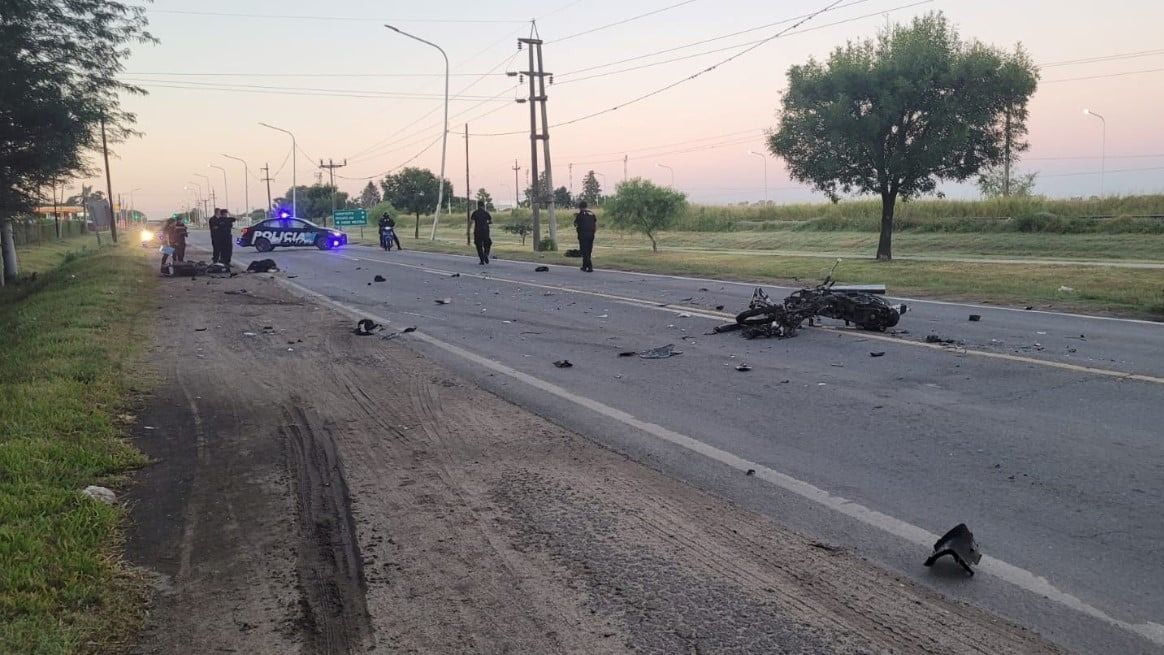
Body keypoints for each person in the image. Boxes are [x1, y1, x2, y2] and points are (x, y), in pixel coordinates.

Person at [573, 200, 597, 272]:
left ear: (580, 207)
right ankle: (584, 266)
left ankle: (590, 266)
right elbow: (595, 222)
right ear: (586, 206)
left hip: (583, 235)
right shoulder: (592, 213)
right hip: (591, 234)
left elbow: (575, 224)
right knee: (589, 250)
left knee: (584, 251)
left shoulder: (580, 215)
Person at [470, 200, 493, 265]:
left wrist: (468, 230)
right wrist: (487, 223)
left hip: (477, 231)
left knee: (478, 245)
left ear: (478, 205)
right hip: (485, 231)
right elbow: (491, 221)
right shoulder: (486, 213)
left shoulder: (475, 213)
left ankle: (482, 260)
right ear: (483, 206)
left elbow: (471, 222)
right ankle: (486, 254)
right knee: (488, 243)